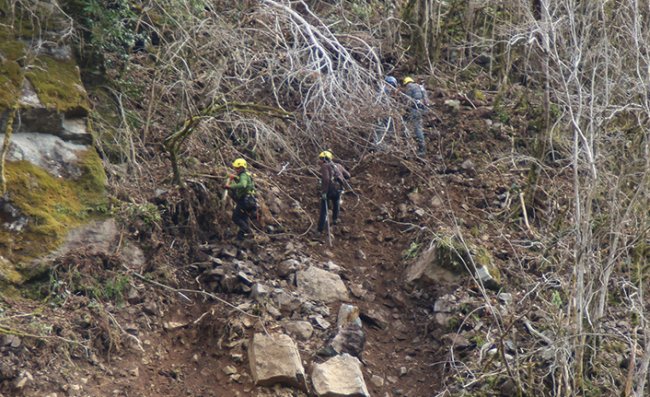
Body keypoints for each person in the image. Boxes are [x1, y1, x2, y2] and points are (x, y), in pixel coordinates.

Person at [317, 150, 350, 234]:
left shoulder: (325, 166)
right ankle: (335, 219)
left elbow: (326, 179)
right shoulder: (338, 166)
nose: (319, 161)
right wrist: (341, 178)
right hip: (338, 189)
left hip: (329, 190)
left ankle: (319, 230)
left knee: (324, 209)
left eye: (320, 159)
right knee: (336, 204)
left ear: (324, 159)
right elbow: (348, 175)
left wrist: (324, 191)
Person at [224, 158, 257, 240]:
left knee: (235, 217)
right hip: (250, 200)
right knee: (244, 218)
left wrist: (230, 186)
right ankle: (240, 239)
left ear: (242, 168)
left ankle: (248, 231)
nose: (236, 169)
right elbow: (241, 180)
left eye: (237, 168)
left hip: (245, 201)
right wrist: (234, 178)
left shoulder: (243, 175)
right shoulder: (246, 175)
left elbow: (243, 184)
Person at [402, 76, 429, 156]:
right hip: (422, 110)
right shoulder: (420, 87)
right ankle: (418, 147)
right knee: (417, 127)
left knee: (415, 128)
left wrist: (404, 109)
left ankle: (421, 149)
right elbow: (426, 100)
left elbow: (407, 100)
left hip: (415, 110)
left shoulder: (409, 87)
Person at [374, 76, 398, 149]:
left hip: (385, 113)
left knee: (388, 128)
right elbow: (378, 102)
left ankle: (384, 145)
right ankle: (378, 146)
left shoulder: (384, 90)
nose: (392, 88)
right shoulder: (384, 91)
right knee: (380, 128)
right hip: (382, 113)